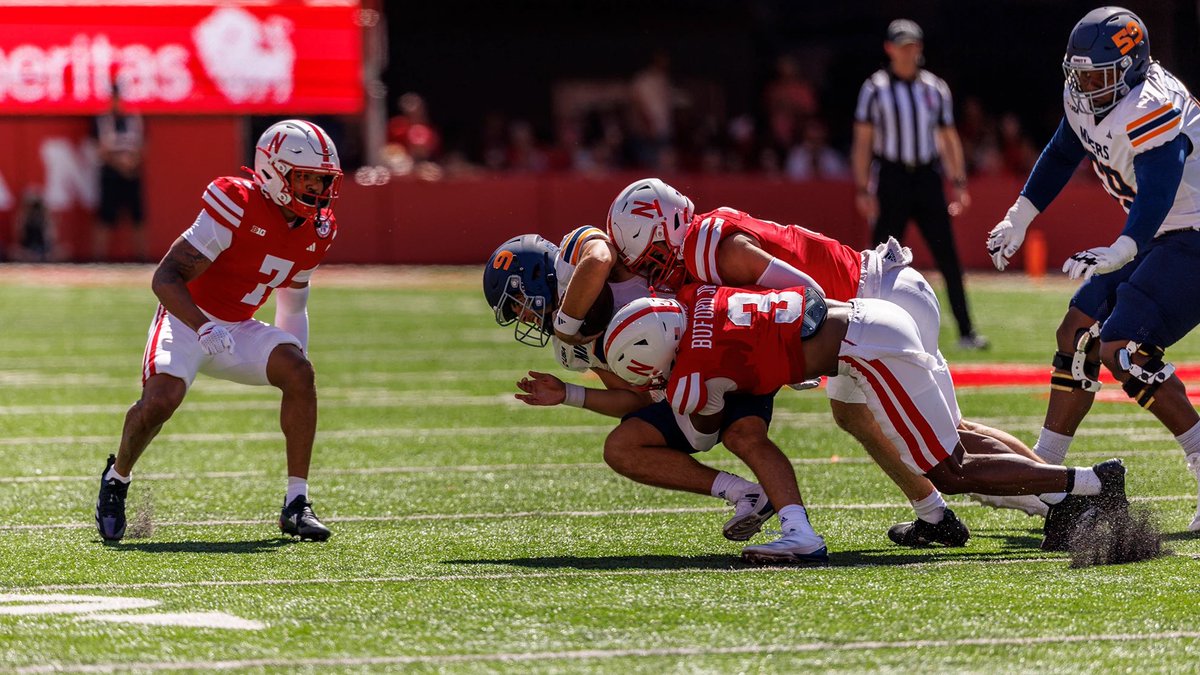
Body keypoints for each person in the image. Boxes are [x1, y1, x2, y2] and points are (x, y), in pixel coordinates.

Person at [606, 177, 1046, 549]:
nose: (654, 270)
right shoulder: (699, 244)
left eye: (654, 255)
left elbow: (807, 291)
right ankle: (935, 514)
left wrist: (807, 345)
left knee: (950, 439)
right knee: (854, 415)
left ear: (672, 227)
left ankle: (1057, 498)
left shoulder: (709, 248)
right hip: (867, 304)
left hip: (875, 297)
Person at [606, 289, 1131, 558]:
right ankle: (1075, 493)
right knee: (952, 446)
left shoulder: (692, 368)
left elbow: (699, 433)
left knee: (950, 469)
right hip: (866, 320)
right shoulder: (700, 297)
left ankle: (1090, 484)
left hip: (867, 350)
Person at [986, 7, 1200, 532]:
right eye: (1078, 74)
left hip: (1191, 232)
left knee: (1125, 350)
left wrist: (1124, 246)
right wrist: (1021, 215)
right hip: (1159, 230)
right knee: (1076, 329)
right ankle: (1043, 472)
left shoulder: (1152, 104)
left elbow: (1157, 189)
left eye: (1097, 76)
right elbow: (1063, 152)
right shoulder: (1092, 97)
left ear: (1132, 67)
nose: (1084, 87)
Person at [94, 119, 343, 543]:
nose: (317, 191)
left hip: (238, 328)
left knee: (301, 372)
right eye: (307, 179)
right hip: (186, 317)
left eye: (323, 181)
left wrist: (293, 369)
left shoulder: (319, 229)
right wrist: (203, 325)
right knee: (162, 400)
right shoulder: (238, 202)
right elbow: (166, 279)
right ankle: (117, 479)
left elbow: (293, 302)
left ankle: (296, 503)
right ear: (272, 171)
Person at [482, 232, 781, 548]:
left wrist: (566, 323)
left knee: (747, 436)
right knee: (621, 448)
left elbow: (599, 257)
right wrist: (567, 394)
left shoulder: (580, 257)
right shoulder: (570, 350)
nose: (523, 316)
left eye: (518, 305)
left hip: (725, 346)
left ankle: (796, 530)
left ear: (534, 278)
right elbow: (635, 400)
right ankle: (742, 493)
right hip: (689, 391)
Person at [850, 19, 987, 350]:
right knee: (877, 262)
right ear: (889, 49)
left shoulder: (934, 88)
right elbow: (863, 141)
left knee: (948, 257)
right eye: (902, 46)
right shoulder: (875, 89)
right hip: (893, 177)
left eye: (913, 46)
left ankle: (966, 331)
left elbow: (948, 137)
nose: (908, 53)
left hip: (927, 177)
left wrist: (958, 180)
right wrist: (862, 188)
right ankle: (863, 328)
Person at [93, 84, 148, 263]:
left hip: (132, 172)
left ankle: (142, 258)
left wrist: (131, 163)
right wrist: (118, 163)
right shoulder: (102, 119)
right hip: (110, 172)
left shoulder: (134, 118)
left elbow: (143, 145)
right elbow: (99, 148)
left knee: (137, 216)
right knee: (105, 217)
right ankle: (99, 258)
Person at [9, 186, 61, 262]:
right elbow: (19, 237)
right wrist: (25, 213)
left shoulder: (45, 217)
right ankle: (36, 258)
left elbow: (52, 238)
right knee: (13, 252)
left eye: (36, 205)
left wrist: (45, 213)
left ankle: (40, 258)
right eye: (31, 205)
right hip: (27, 250)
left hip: (44, 251)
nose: (34, 208)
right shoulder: (23, 217)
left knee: (63, 251)